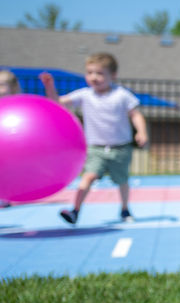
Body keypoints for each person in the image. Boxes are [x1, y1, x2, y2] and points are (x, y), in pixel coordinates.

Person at [40, 53, 148, 225]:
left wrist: (141, 132)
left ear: (112, 75)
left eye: (99, 73)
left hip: (120, 147)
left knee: (122, 180)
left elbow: (135, 114)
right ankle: (75, 211)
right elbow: (57, 102)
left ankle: (125, 208)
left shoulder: (121, 95)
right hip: (95, 148)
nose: (94, 77)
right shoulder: (85, 95)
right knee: (88, 177)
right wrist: (50, 86)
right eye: (90, 73)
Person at [0, 69, 19, 207]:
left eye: (2, 84)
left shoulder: (17, 104)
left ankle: (4, 196)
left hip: (9, 145)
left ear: (12, 88)